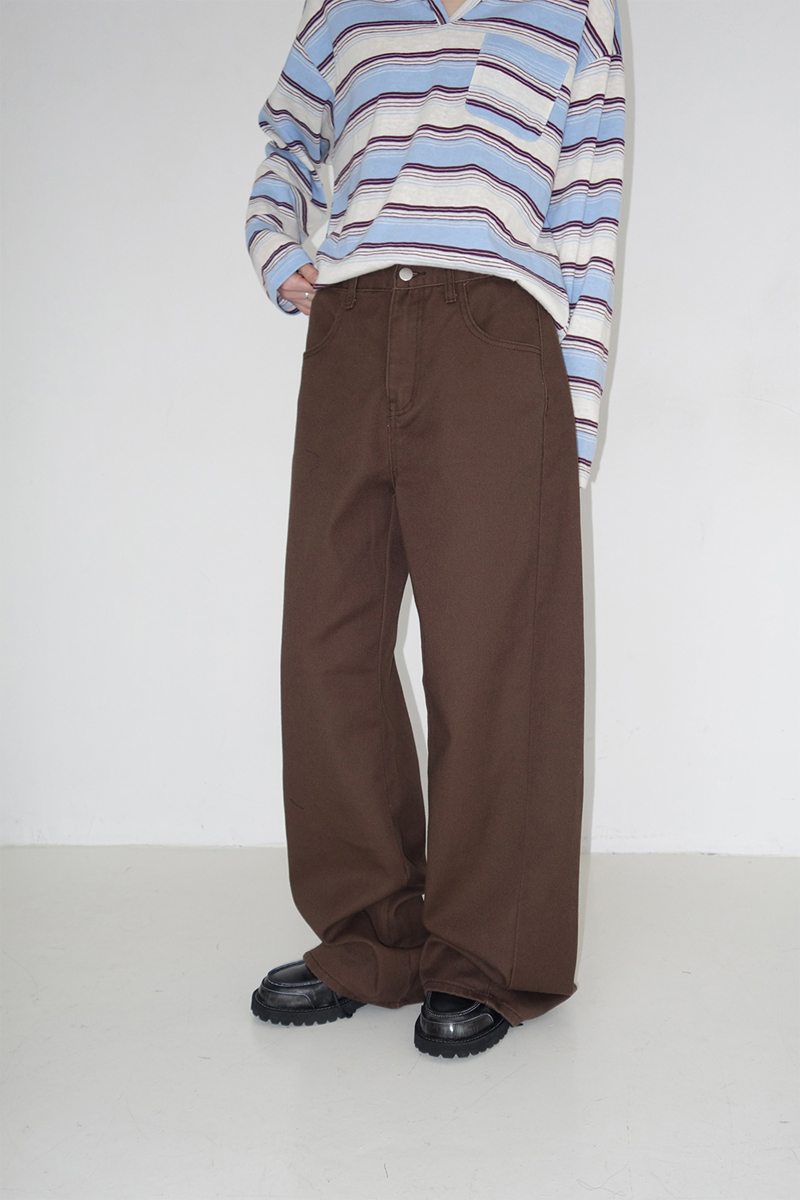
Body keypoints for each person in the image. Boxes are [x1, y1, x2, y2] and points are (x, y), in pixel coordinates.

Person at [244, 0, 625, 1059]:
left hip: (498, 335)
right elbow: (288, 134)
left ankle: (488, 955)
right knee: (328, 644)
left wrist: (572, 427)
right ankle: (371, 936)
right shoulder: (341, 11)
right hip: (353, 325)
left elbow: (588, 221)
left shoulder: (574, 12)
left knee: (493, 660)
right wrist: (274, 243)